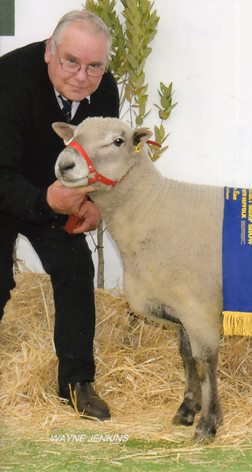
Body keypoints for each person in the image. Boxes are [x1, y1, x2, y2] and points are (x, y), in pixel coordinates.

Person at [0, 10, 119, 420]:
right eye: (71, 61)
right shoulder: (9, 80)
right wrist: (44, 201)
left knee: (75, 269)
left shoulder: (105, 93)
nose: (82, 76)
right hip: (3, 184)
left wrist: (93, 203)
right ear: (50, 52)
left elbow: (105, 161)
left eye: (94, 66)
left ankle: (77, 381)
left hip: (60, 195)